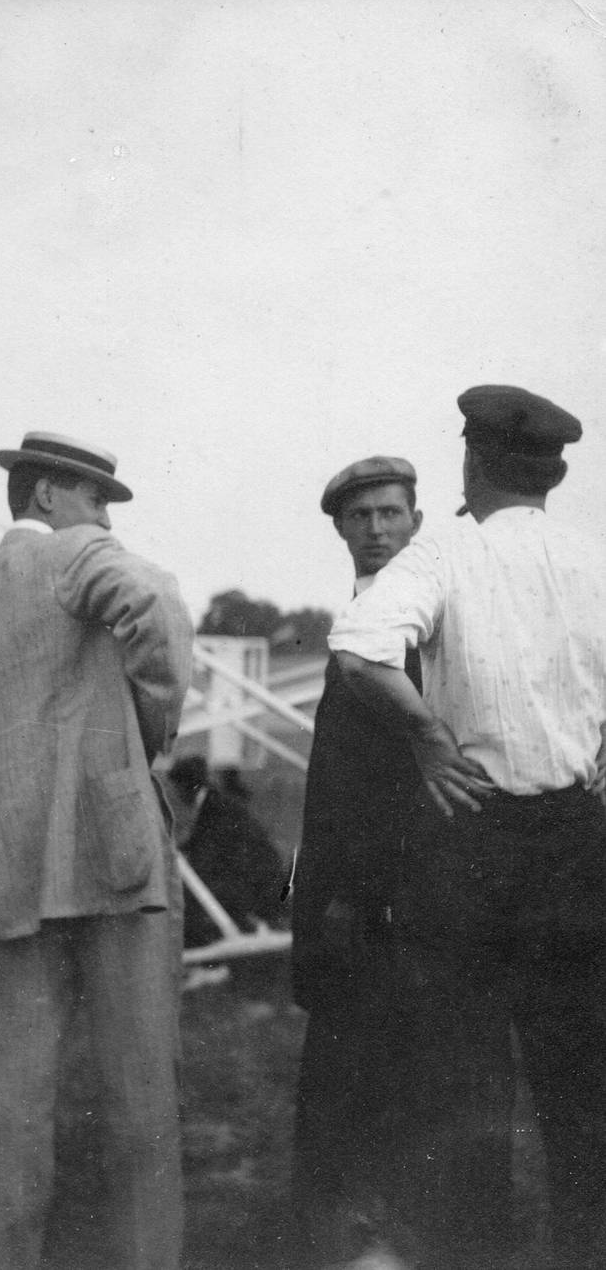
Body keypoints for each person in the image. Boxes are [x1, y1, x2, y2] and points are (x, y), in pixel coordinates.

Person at [0, 431, 194, 1270]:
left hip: (4, 886)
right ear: (50, 496)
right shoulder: (80, 555)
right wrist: (151, 729)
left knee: (8, 1115)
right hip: (121, 866)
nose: (104, 516)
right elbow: (157, 610)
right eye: (96, 497)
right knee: (141, 1110)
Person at [329, 385, 606, 1270]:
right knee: (581, 1080)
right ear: (553, 473)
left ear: (473, 461)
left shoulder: (447, 544)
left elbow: (360, 647)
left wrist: (426, 736)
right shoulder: (588, 554)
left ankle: (474, 1252)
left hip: (475, 833)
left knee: (464, 1077)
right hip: (577, 835)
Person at [291, 456, 424, 1267]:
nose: (376, 529)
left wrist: (352, 895)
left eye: (390, 513)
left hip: (384, 899)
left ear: (416, 520)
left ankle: (369, 1239)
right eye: (361, 516)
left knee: (371, 1077)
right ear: (340, 527)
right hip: (339, 891)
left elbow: (393, 780)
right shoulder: (359, 613)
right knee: (341, 1076)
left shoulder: (417, 619)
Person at [165, 754, 283, 947]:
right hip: (257, 873)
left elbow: (210, 852)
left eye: (176, 788)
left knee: (189, 899)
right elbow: (201, 842)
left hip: (257, 879)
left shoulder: (215, 808)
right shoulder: (214, 802)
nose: (176, 795)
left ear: (185, 785)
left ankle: (205, 958)